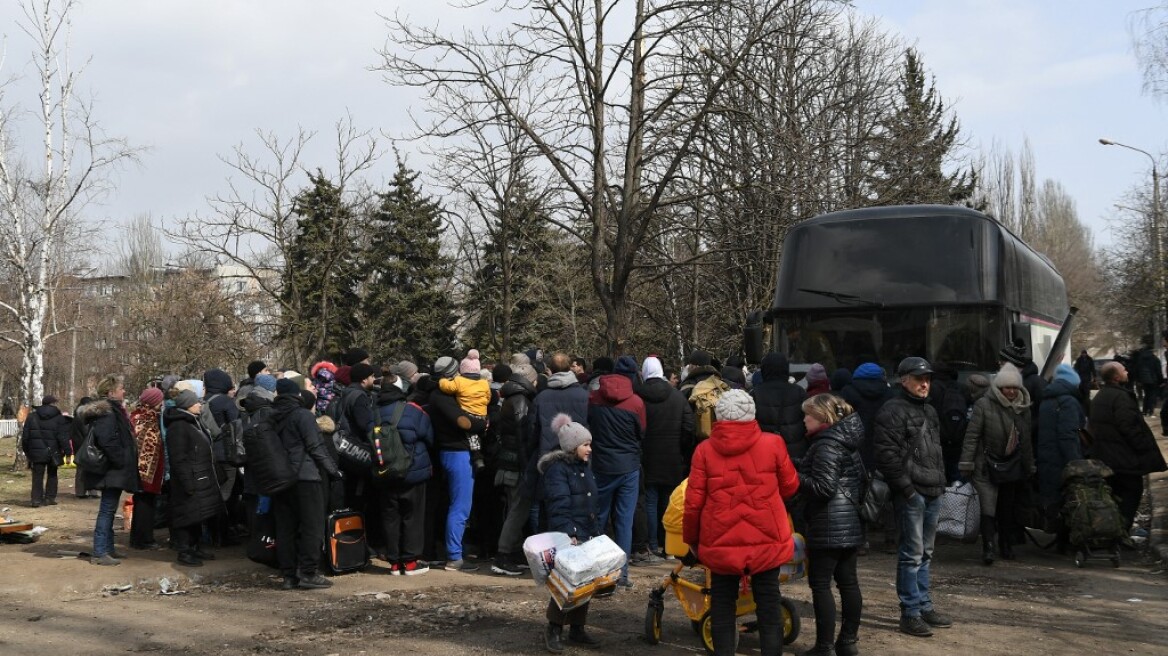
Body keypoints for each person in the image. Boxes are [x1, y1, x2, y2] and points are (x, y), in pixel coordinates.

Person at [684, 390, 799, 656]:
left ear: (719, 416)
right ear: (752, 414)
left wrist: (692, 539)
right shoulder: (774, 444)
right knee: (769, 604)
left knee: (723, 605)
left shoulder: (704, 450)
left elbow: (693, 502)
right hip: (766, 536)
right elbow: (791, 486)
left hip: (720, 538)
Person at [874, 357, 951, 638]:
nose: (925, 383)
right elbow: (886, 455)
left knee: (925, 554)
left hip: (932, 490)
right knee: (911, 555)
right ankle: (910, 613)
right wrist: (907, 490)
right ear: (903, 379)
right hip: (912, 493)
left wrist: (941, 483)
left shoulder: (930, 410)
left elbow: (937, 450)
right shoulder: (892, 410)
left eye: (927, 378)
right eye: (919, 379)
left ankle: (922, 605)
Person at [799, 393, 865, 656]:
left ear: (821, 417)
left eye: (807, 414)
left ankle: (824, 646)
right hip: (850, 521)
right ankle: (848, 642)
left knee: (821, 584)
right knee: (848, 583)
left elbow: (823, 487)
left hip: (828, 525)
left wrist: (795, 477)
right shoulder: (846, 442)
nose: (803, 420)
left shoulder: (826, 444)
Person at [538, 414, 603, 653]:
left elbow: (588, 500)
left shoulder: (582, 467)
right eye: (586, 445)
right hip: (570, 534)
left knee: (585, 581)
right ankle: (554, 628)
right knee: (566, 582)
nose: (590, 449)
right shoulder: (558, 470)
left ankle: (577, 628)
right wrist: (569, 532)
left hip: (585, 531)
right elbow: (559, 503)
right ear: (572, 446)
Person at [959, 363, 1034, 565]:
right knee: (987, 508)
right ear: (999, 388)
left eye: (1014, 388)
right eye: (1007, 388)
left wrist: (1029, 465)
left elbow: (1026, 441)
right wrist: (966, 463)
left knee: (1006, 508)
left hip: (1011, 465)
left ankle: (1006, 544)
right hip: (985, 465)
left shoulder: (1023, 408)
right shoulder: (984, 405)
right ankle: (988, 547)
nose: (1010, 391)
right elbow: (972, 436)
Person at [270, 378, 341, 589]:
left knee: (285, 527)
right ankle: (309, 571)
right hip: (305, 476)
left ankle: (288, 575)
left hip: (279, 478)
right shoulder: (302, 415)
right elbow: (316, 446)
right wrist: (333, 470)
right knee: (312, 525)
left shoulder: (270, 416)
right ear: (297, 395)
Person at [1089, 361, 1168, 533]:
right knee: (1131, 492)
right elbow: (1128, 426)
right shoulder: (1121, 397)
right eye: (1123, 370)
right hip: (1123, 458)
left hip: (1106, 457)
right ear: (1116, 377)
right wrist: (1142, 447)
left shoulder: (1101, 396)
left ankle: (1114, 531)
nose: (1127, 372)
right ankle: (1122, 531)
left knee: (1115, 495)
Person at [587, 360, 646, 586]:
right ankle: (622, 574)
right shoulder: (636, 403)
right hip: (629, 466)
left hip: (602, 465)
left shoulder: (593, 400)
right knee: (624, 521)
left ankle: (597, 572)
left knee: (599, 518)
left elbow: (588, 426)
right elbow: (641, 433)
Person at [373, 372, 435, 575]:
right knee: (413, 516)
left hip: (385, 472)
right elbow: (429, 437)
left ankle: (393, 562)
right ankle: (410, 562)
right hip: (413, 471)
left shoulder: (373, 412)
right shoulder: (414, 411)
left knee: (390, 517)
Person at [635, 356, 693, 560]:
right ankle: (669, 546)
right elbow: (689, 426)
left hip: (647, 456)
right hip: (672, 457)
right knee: (670, 503)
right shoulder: (677, 397)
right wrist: (681, 449)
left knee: (649, 502)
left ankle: (652, 544)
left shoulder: (637, 397)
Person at [79, 375, 139, 566]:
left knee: (110, 509)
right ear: (110, 392)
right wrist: (120, 460)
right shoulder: (108, 413)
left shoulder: (112, 411)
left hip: (112, 469)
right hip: (110, 469)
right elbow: (107, 440)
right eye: (121, 388)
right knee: (107, 510)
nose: (124, 391)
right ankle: (99, 552)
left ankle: (108, 549)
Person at [491, 363, 540, 576]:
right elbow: (523, 435)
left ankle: (512, 553)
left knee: (515, 508)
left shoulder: (510, 398)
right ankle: (503, 555)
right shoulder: (521, 400)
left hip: (507, 461)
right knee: (518, 510)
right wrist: (526, 464)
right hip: (517, 464)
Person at [165, 389, 223, 567]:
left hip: (200, 475)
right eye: (196, 402)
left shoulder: (193, 422)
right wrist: (187, 482)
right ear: (188, 405)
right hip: (189, 478)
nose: (200, 404)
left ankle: (195, 546)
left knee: (198, 514)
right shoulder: (179, 426)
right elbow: (178, 457)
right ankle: (184, 550)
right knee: (186, 515)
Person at [1037, 364, 1085, 529]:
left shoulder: (1047, 400)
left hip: (1046, 457)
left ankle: (1058, 537)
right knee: (1068, 500)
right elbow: (1068, 435)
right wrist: (1076, 463)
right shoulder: (1069, 402)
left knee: (1054, 500)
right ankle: (1066, 540)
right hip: (1062, 460)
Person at [438, 349, 491, 471]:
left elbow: (447, 387)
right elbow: (488, 397)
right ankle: (480, 451)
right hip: (482, 413)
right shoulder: (484, 383)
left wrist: (442, 380)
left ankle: (477, 457)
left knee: (471, 435)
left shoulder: (459, 381)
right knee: (478, 434)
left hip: (468, 413)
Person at [129, 387, 166, 550]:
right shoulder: (147, 419)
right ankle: (143, 539)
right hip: (146, 471)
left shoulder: (137, 416)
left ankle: (138, 538)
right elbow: (149, 447)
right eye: (160, 400)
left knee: (142, 503)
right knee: (145, 504)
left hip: (142, 470)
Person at [21, 395, 71, 507]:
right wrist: (68, 453)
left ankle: (36, 500)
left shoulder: (32, 417)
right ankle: (49, 498)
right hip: (54, 451)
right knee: (52, 474)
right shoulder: (59, 418)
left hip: (36, 451)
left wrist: (28, 452)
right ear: (53, 404)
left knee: (37, 476)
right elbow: (63, 437)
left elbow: (25, 437)